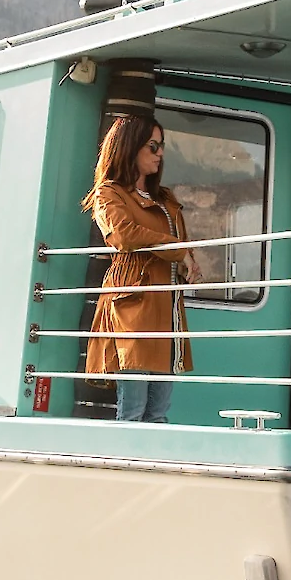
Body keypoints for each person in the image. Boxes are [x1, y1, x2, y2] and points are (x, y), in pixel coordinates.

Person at [83, 114, 202, 422]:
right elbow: (123, 235)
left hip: (168, 309)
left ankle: (152, 469)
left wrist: (188, 264)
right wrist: (179, 252)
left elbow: (178, 246)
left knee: (159, 413)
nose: (160, 153)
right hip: (133, 307)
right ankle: (124, 468)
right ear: (130, 146)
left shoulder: (166, 199)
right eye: (152, 146)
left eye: (161, 146)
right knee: (133, 410)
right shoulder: (109, 193)